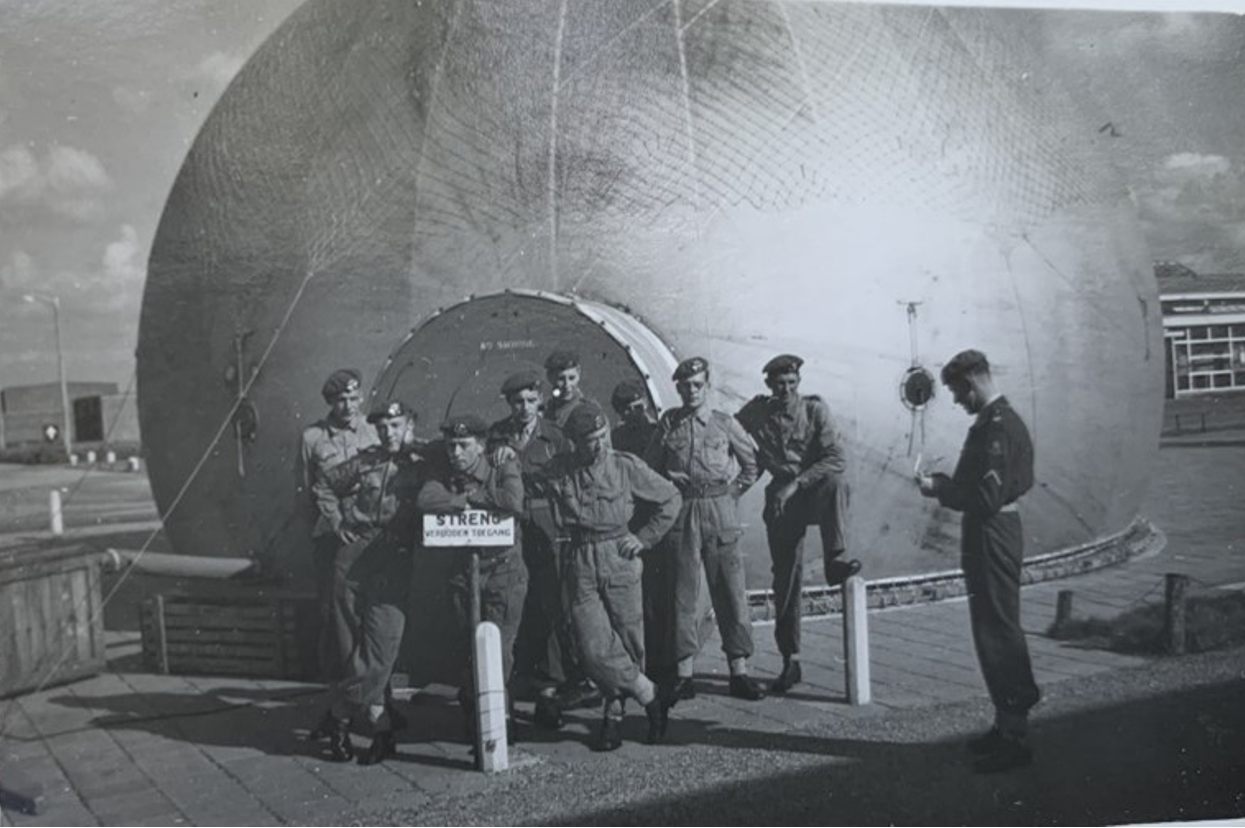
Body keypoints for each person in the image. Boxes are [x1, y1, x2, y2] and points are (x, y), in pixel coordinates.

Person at [916, 349, 1039, 774]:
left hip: (993, 533)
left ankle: (1016, 734)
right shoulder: (994, 424)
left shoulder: (998, 428)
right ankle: (1005, 725)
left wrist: (941, 488)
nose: (955, 401)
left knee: (1000, 627)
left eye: (956, 392)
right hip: (987, 533)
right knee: (989, 627)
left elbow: (987, 497)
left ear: (971, 383)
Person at [543, 403, 682, 751]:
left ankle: (613, 717)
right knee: (592, 648)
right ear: (575, 442)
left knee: (628, 640)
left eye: (602, 437)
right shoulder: (560, 469)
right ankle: (649, 693)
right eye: (590, 440)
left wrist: (644, 538)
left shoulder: (624, 466)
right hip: (579, 560)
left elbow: (671, 498)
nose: (599, 446)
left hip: (618, 555)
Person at [736, 354, 858, 696]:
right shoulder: (757, 412)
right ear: (769, 385)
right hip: (781, 501)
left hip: (812, 489)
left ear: (799, 383)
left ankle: (836, 558)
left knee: (837, 483)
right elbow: (730, 431)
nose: (786, 389)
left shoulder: (815, 410)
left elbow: (835, 458)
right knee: (785, 578)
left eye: (792, 383)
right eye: (779, 384)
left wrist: (797, 483)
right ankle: (791, 659)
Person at [644, 357, 764, 702]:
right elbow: (650, 469)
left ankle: (739, 671)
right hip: (683, 510)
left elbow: (751, 466)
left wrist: (732, 494)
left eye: (697, 385)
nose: (691, 391)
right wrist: (669, 479)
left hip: (719, 509)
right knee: (682, 593)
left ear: (707, 386)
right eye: (684, 386)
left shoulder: (725, 424)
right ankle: (684, 673)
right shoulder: (669, 424)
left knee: (730, 590)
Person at [313, 399, 423, 765]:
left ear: (410, 424)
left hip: (394, 558)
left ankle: (338, 717)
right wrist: (337, 523)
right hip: (354, 558)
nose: (389, 434)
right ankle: (381, 729)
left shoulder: (423, 464)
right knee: (353, 649)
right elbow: (324, 485)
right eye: (382, 428)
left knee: (380, 649)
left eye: (396, 425)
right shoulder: (364, 462)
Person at [487, 370, 593, 730]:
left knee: (549, 608)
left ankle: (548, 693)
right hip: (509, 527)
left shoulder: (554, 437)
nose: (525, 408)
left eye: (531, 400)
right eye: (517, 402)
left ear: (540, 399)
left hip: (547, 527)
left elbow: (576, 478)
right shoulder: (497, 436)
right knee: (513, 605)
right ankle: (509, 690)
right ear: (508, 404)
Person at [417, 413, 528, 739]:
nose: (456, 453)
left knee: (499, 650)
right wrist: (463, 502)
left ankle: (499, 716)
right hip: (465, 576)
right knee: (468, 647)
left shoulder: (502, 465)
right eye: (451, 445)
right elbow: (426, 499)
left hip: (502, 573)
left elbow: (511, 501)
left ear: (481, 445)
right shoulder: (444, 472)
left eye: (464, 445)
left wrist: (470, 499)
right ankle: (474, 712)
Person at [296, 369, 380, 739]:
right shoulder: (313, 438)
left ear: (361, 397)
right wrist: (330, 527)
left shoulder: (375, 432)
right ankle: (341, 702)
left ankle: (374, 700)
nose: (348, 406)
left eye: (353, 398)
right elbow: (304, 493)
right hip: (332, 538)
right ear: (330, 403)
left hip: (368, 534)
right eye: (340, 401)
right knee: (335, 623)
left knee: (372, 616)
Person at [542, 349, 595, 429]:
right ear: (550, 377)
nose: (567, 385)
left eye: (572, 378)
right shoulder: (547, 408)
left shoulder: (587, 408)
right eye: (561, 379)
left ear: (579, 373)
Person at [610, 380, 656, 456]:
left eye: (638, 407)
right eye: (627, 410)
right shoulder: (617, 438)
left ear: (645, 404)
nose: (634, 413)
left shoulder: (658, 432)